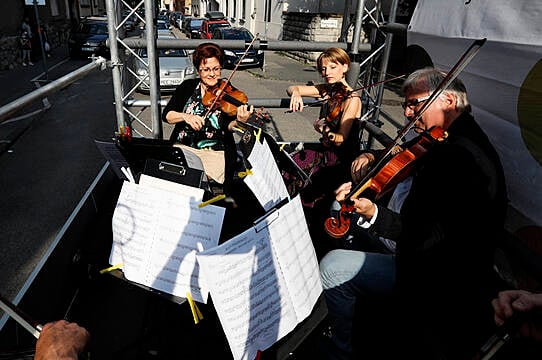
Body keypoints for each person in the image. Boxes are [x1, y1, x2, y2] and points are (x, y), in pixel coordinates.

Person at [319, 67, 509, 359]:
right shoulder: (440, 135)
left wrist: (373, 213)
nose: (406, 113)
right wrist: (371, 161)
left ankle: (342, 350)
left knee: (332, 267)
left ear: (447, 101)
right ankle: (359, 302)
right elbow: (399, 155)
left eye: (414, 103)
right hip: (415, 247)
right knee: (337, 208)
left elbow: (422, 236)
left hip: (433, 273)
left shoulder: (458, 158)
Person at [162, 42, 252, 193]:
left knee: (201, 184)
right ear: (198, 70)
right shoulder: (187, 87)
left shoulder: (229, 93)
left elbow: (229, 126)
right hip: (183, 148)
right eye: (206, 69)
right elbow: (168, 116)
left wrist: (240, 122)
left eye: (216, 69)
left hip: (214, 153)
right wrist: (185, 117)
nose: (212, 74)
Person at [286, 48, 362, 199]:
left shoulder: (352, 98)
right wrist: (295, 93)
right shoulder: (327, 90)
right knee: (290, 167)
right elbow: (292, 88)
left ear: (345, 67)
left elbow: (340, 139)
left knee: (305, 181)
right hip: (325, 151)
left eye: (333, 67)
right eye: (323, 68)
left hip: (341, 159)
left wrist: (323, 129)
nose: (327, 72)